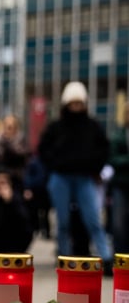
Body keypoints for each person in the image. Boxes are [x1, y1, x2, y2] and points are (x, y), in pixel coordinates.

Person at [38, 81, 111, 270]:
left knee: (93, 218)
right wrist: (55, 164)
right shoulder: (56, 127)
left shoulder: (92, 126)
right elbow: (43, 150)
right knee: (62, 221)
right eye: (73, 103)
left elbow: (103, 149)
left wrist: (94, 167)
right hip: (60, 177)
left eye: (80, 103)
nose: (76, 107)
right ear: (66, 104)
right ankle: (64, 257)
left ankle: (106, 256)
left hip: (85, 177)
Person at [110, 117, 129, 254]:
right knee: (119, 224)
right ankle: (120, 257)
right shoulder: (118, 136)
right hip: (121, 184)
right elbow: (112, 159)